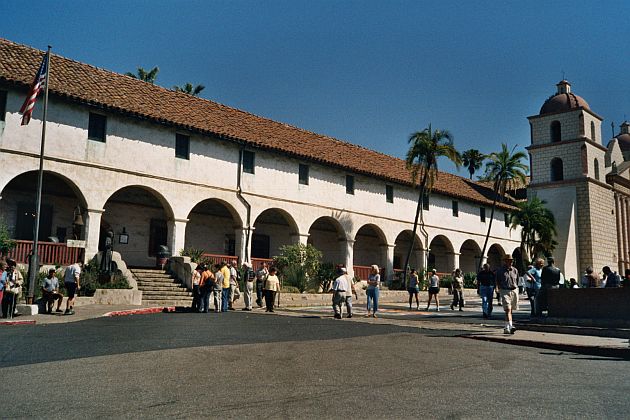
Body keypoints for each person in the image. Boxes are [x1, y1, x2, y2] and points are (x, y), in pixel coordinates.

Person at [496, 254, 519, 334]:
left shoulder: (515, 270)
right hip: (505, 290)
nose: (511, 262)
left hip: (514, 290)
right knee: (507, 309)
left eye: (512, 260)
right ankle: (511, 326)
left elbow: (517, 280)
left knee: (510, 310)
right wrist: (497, 289)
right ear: (505, 261)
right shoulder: (500, 270)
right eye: (509, 260)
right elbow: (497, 280)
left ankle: (506, 327)